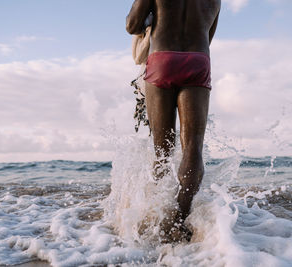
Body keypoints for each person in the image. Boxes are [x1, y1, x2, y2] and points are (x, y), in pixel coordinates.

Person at [126, 0, 220, 242]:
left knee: (162, 148)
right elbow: (208, 36)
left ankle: (159, 217)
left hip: (162, 58)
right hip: (198, 60)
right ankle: (181, 216)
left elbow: (131, 25)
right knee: (193, 146)